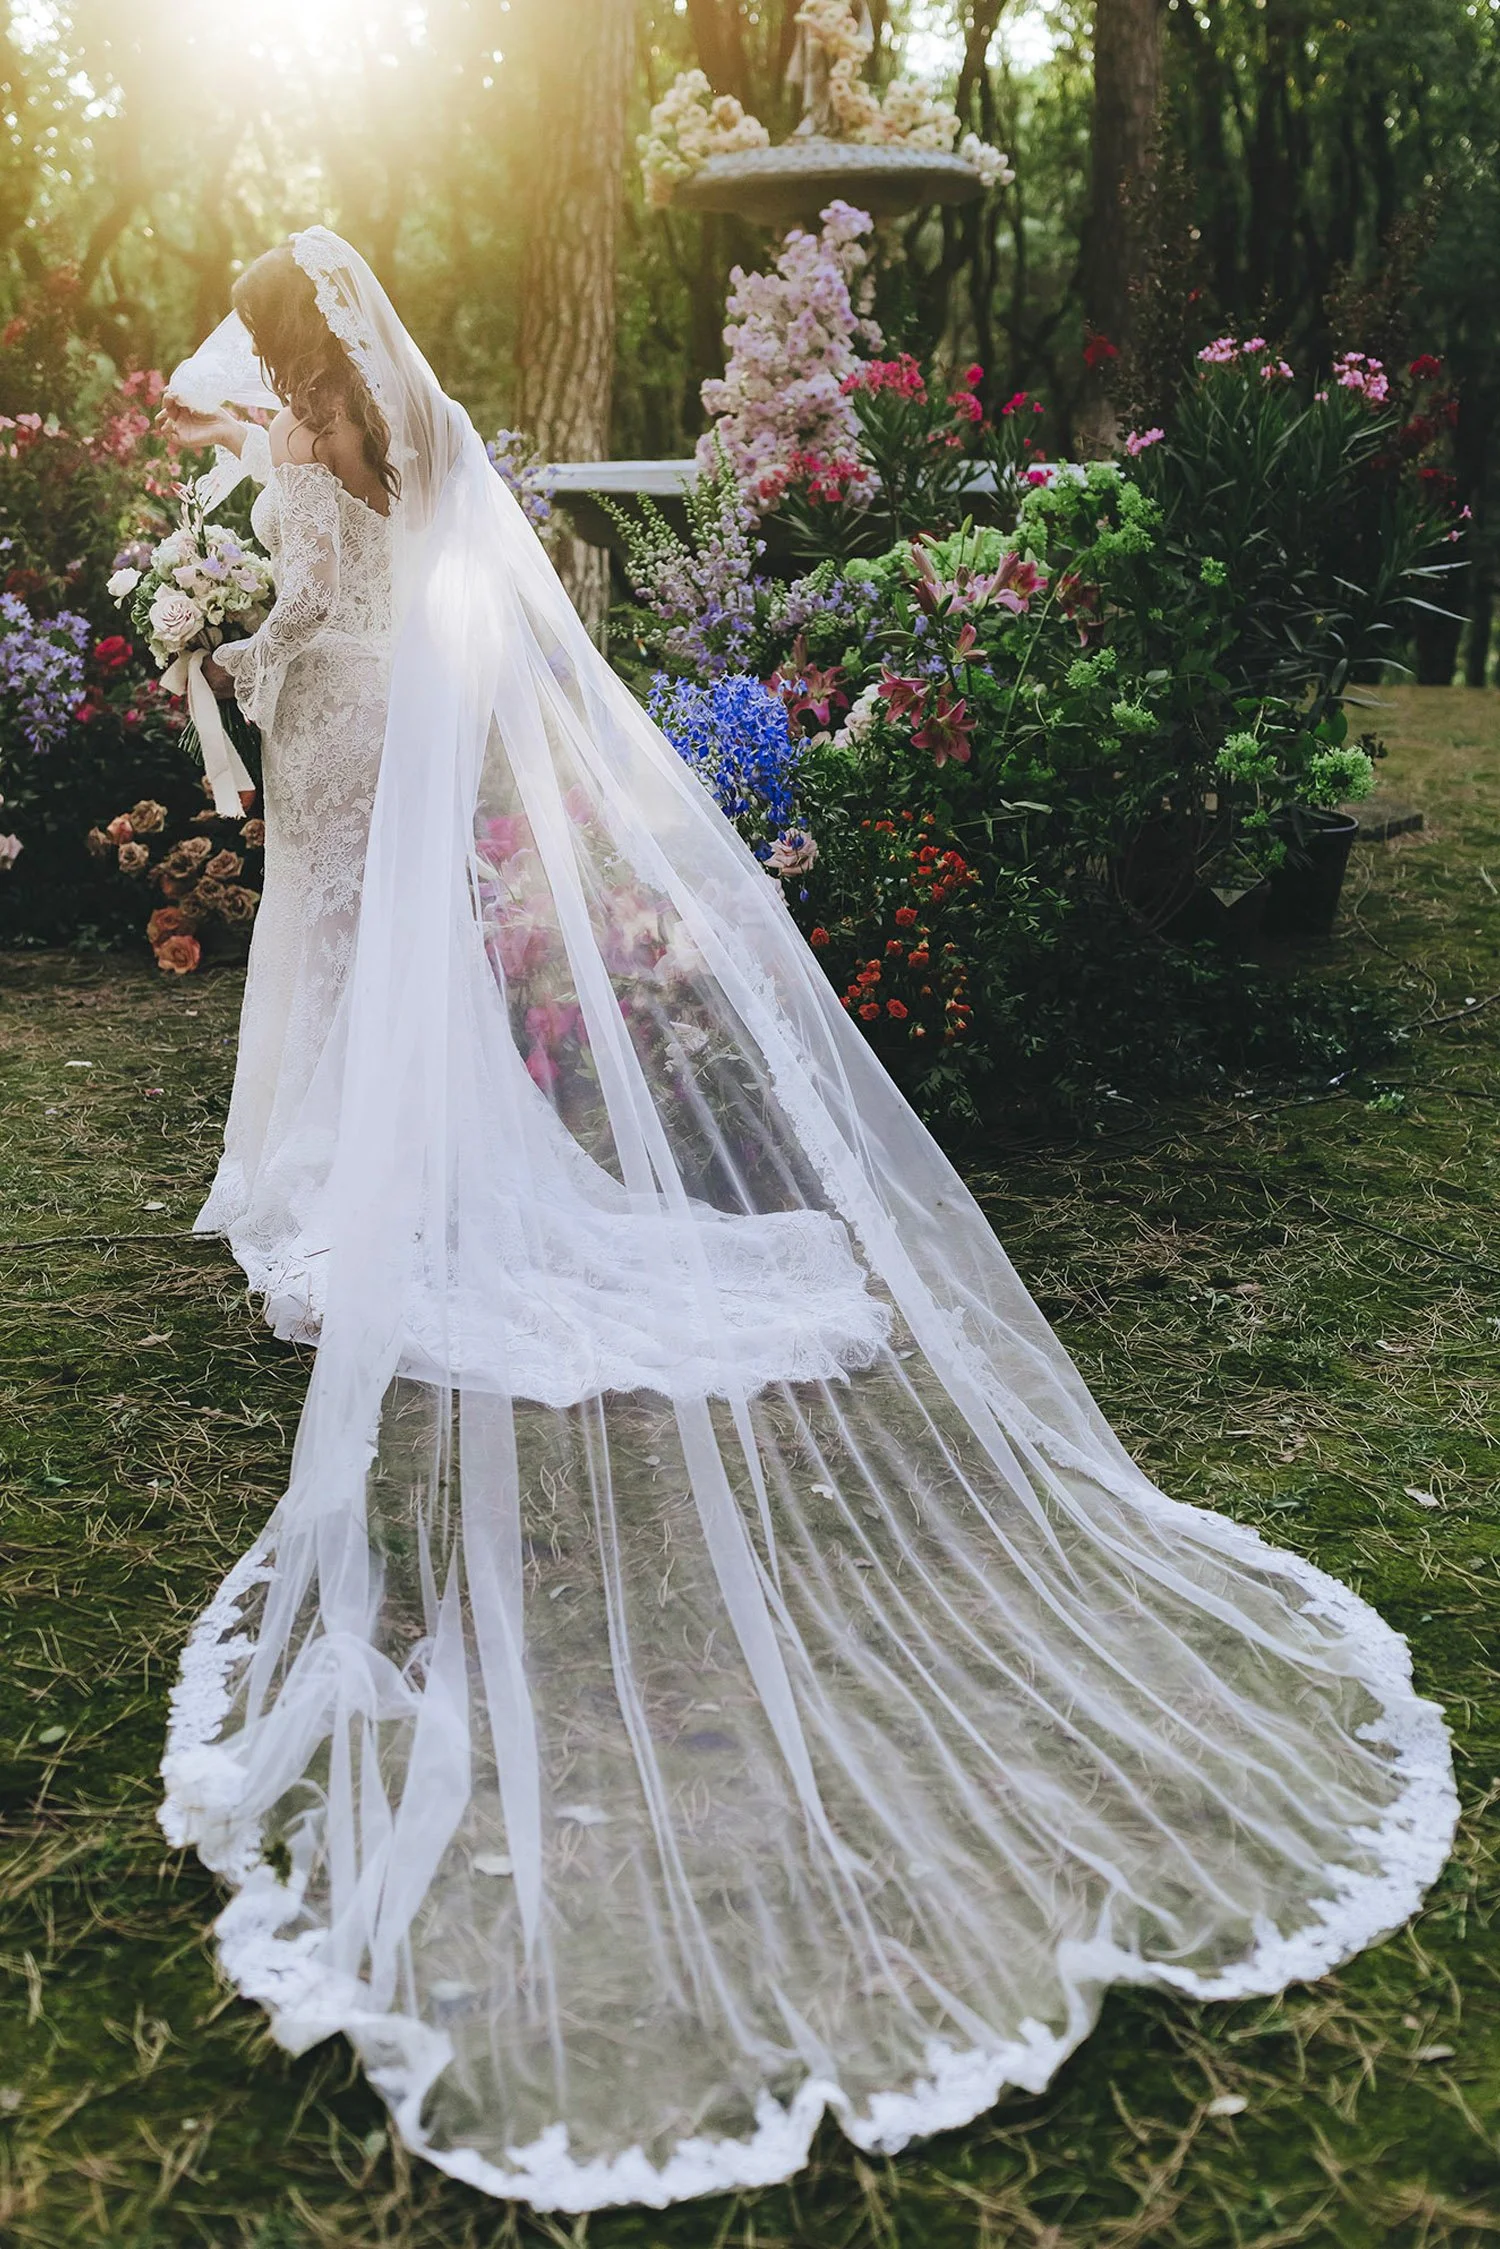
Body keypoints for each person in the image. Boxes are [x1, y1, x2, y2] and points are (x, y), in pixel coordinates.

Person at [155, 230, 1456, 2217]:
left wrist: (347, 668)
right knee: (324, 971)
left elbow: (463, 597)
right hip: (329, 738)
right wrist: (240, 641)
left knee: (368, 967)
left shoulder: (403, 428)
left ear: (311, 329)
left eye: (276, 337)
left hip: (380, 747)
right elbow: (304, 569)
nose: (267, 363)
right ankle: (320, 1163)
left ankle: (382, 1179)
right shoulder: (315, 420)